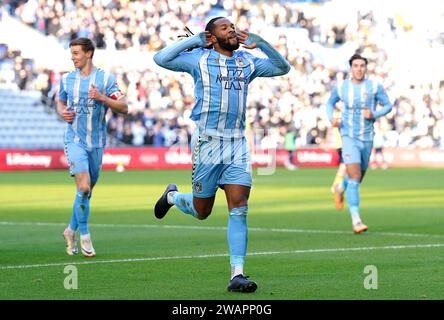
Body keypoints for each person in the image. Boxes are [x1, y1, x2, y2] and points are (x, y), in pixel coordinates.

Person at [153, 17, 290, 292]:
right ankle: (173, 197)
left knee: (239, 207)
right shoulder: (199, 60)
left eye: (233, 27)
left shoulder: (247, 62)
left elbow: (282, 67)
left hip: (237, 144)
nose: (232, 30)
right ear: (212, 37)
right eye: (225, 28)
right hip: (208, 143)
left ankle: (237, 274)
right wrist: (194, 41)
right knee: (202, 211)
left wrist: (260, 42)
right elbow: (160, 58)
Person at [57, 38, 128, 257]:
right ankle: (85, 236)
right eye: (72, 53)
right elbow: (59, 101)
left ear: (89, 53)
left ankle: (70, 231)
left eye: (76, 53)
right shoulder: (67, 79)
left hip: (97, 143)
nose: (73, 57)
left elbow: (124, 107)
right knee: (85, 187)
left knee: (84, 192)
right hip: (75, 140)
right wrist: (62, 111)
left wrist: (102, 98)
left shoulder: (106, 79)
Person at [326, 53, 392, 234]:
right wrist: (332, 118)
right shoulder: (341, 87)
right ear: (351, 68)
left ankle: (339, 188)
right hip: (348, 136)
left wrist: (374, 114)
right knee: (354, 178)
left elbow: (388, 105)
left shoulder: (374, 86)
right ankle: (356, 221)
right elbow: (329, 103)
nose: (359, 69)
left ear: (366, 67)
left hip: (367, 137)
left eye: (362, 65)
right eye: (355, 65)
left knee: (357, 178)